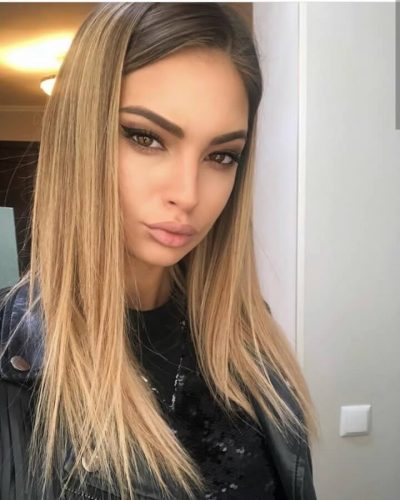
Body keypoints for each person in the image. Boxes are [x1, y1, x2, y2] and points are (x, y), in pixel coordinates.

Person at [0, 3, 319, 499]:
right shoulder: (12, 358)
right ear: (79, 139)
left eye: (221, 155)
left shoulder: (251, 343)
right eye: (145, 138)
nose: (188, 194)